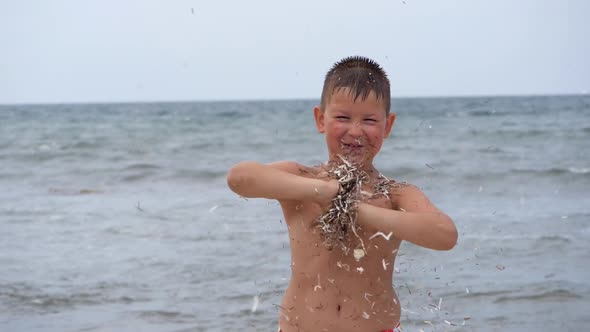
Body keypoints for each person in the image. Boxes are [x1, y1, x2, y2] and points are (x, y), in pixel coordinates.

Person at [226, 56, 458, 332]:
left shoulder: (395, 194)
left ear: (388, 125)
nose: (355, 130)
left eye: (370, 120)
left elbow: (444, 234)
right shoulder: (303, 179)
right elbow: (240, 178)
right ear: (320, 119)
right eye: (343, 117)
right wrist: (325, 191)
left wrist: (358, 209)